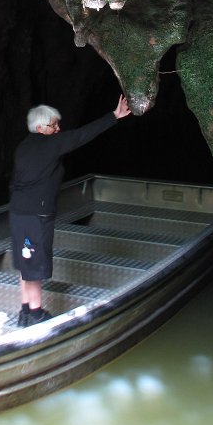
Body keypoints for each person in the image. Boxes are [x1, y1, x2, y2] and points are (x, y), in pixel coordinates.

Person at [8, 94, 133, 327]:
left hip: (18, 212)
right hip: (37, 215)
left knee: (26, 260)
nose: (58, 129)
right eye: (53, 125)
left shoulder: (23, 146)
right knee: (33, 265)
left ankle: (24, 311)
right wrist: (114, 116)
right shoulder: (50, 144)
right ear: (39, 127)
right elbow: (81, 136)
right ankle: (35, 314)